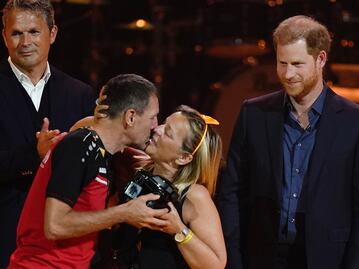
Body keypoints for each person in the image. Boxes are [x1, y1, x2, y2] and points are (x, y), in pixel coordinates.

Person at [216, 15, 359, 269]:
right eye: (282, 63)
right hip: (263, 258)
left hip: (327, 259)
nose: (287, 74)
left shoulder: (356, 121)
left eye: (297, 64)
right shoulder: (254, 113)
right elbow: (232, 191)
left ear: (321, 59)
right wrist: (234, 260)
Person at [7, 74, 169, 268]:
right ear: (131, 116)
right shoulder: (79, 147)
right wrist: (124, 213)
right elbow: (54, 226)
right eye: (152, 117)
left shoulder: (100, 150)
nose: (155, 126)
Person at [0, 0, 95, 266]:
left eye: (34, 31)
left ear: (52, 34)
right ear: (4, 36)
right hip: (6, 237)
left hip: (64, 244)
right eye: (16, 33)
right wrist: (35, 156)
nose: (25, 41)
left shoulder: (79, 93)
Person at [134, 105, 226, 269]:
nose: (157, 129)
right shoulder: (139, 171)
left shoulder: (194, 195)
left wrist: (178, 230)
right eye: (163, 123)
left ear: (183, 157)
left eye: (168, 132)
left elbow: (216, 264)